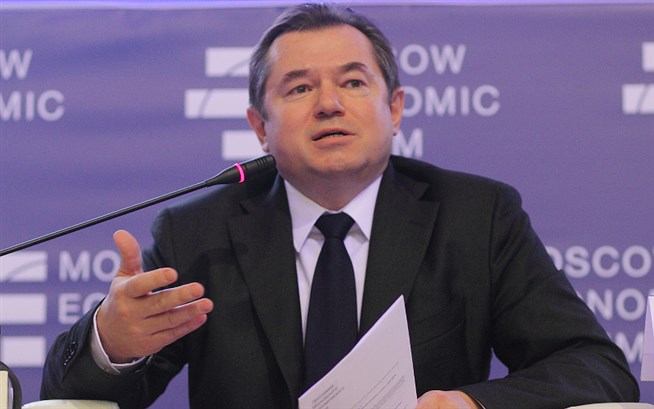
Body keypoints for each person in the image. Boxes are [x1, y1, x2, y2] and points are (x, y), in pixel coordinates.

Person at [41, 3, 640, 408]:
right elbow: (70, 396)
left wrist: (473, 403)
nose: (329, 103)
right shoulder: (197, 232)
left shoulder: (478, 217)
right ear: (260, 127)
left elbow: (595, 367)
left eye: (353, 82)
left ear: (394, 108)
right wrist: (112, 344)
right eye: (300, 87)